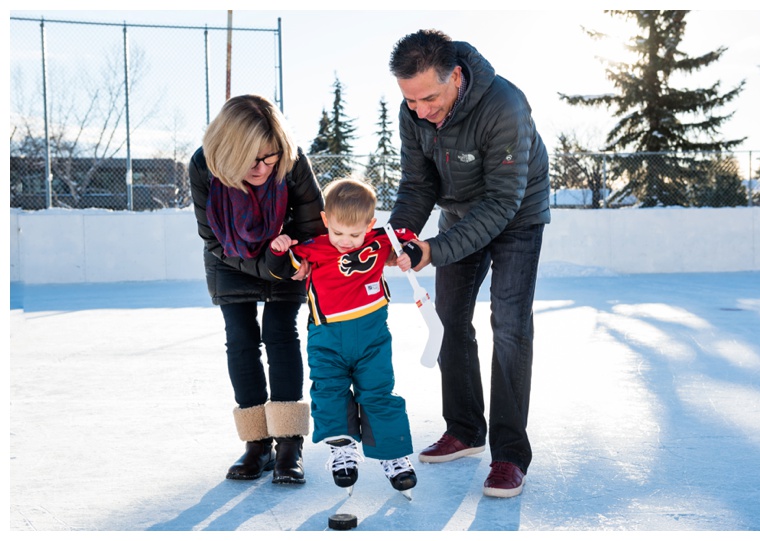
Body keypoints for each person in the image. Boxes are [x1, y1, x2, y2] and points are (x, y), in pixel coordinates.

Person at [387, 29, 551, 498]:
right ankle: (464, 430)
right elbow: (417, 185)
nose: (420, 110)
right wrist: (400, 234)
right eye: (411, 100)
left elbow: (501, 204)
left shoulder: (506, 106)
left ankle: (510, 454)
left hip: (516, 212)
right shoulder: (413, 111)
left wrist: (432, 250)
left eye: (429, 98)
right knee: (448, 319)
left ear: (456, 76)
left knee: (511, 322)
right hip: (460, 210)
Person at [188, 94, 325, 485]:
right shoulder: (203, 165)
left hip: (286, 255)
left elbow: (312, 224)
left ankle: (288, 444)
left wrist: (284, 259)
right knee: (242, 339)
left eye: (270, 159)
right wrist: (263, 263)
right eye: (252, 160)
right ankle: (256, 444)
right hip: (228, 258)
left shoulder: (291, 158)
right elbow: (211, 238)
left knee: (281, 335)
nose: (264, 168)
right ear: (229, 151)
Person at [267, 178, 422, 498]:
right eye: (338, 233)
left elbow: (408, 241)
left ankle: (394, 456)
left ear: (370, 224)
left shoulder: (379, 241)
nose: (347, 241)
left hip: (372, 339)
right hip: (327, 341)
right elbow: (281, 266)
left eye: (355, 234)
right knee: (329, 392)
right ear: (326, 221)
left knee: (379, 393)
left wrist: (409, 253)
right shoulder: (313, 248)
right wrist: (278, 247)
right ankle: (343, 449)